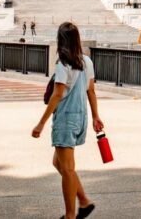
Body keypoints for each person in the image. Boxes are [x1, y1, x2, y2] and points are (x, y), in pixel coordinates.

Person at [32, 22, 103, 219]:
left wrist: (41, 123)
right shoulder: (86, 61)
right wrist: (96, 116)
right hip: (81, 117)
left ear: (61, 41)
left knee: (68, 169)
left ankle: (71, 215)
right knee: (59, 163)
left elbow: (56, 95)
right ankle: (84, 201)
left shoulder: (63, 64)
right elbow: (91, 91)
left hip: (65, 118)